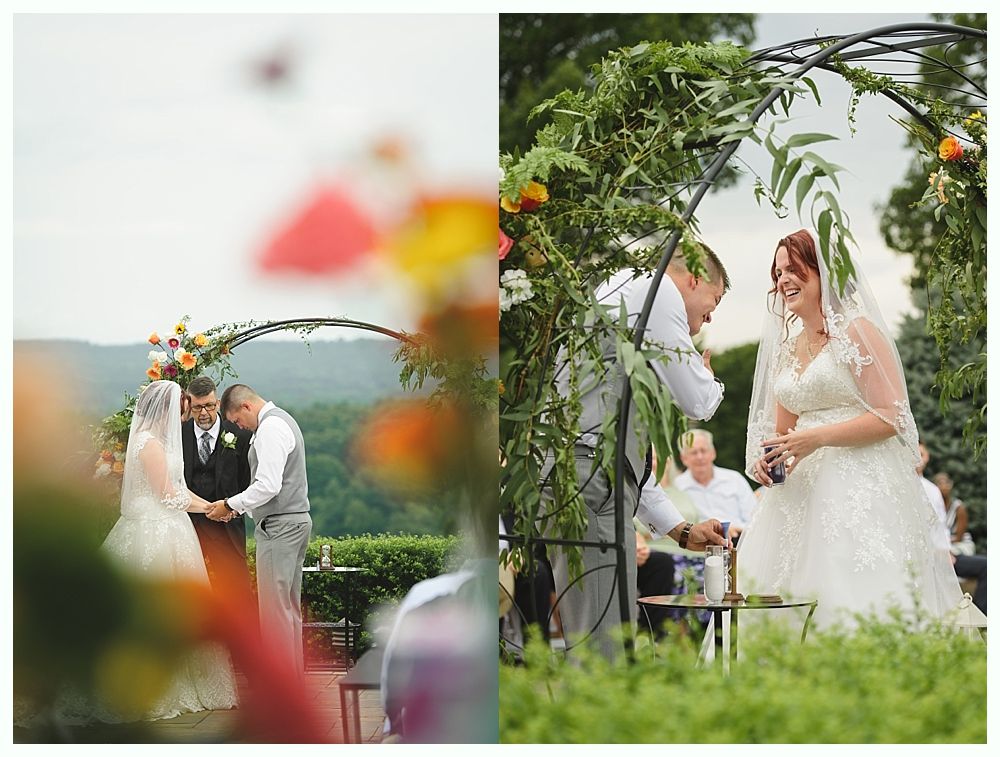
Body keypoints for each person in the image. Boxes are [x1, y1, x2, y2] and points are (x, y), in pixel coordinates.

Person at [738, 229, 962, 631]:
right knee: (778, 595)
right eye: (777, 273)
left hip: (856, 484)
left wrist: (817, 438)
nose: (783, 280)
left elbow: (891, 416)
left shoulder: (858, 332)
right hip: (798, 495)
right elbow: (782, 430)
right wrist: (767, 459)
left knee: (847, 593)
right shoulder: (788, 347)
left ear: (822, 272)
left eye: (793, 269)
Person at [546, 244, 729, 659]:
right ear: (694, 277)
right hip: (590, 483)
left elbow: (628, 461)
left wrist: (681, 531)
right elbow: (699, 402)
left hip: (591, 475)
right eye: (713, 301)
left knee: (606, 635)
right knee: (601, 648)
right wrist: (705, 376)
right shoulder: (658, 289)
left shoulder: (627, 298)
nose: (711, 316)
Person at [101, 380, 237, 719]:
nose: (185, 417)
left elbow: (180, 489)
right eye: (182, 410)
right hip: (153, 531)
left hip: (172, 527)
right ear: (166, 409)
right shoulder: (148, 444)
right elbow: (168, 495)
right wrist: (209, 509)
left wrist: (211, 507)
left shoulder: (159, 442)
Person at [208, 384, 314, 676]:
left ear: (246, 406)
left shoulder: (270, 428)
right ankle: (293, 677)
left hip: (280, 527)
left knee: (275, 612)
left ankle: (282, 684)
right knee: (288, 609)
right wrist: (240, 510)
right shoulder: (282, 420)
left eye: (238, 421)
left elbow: (268, 485)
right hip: (293, 521)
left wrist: (230, 504)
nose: (239, 427)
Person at [182, 376, 255, 621]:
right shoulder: (177, 435)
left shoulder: (240, 435)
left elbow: (247, 483)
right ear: (188, 404)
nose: (204, 413)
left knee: (237, 598)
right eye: (197, 407)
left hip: (227, 530)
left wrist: (232, 510)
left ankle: (241, 657)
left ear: (217, 401)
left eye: (210, 406)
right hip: (187, 528)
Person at [919, 443, 987, 614]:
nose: (917, 457)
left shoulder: (932, 490)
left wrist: (944, 551)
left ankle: (978, 615)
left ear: (927, 457)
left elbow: (939, 526)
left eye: (921, 453)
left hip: (943, 553)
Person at [675, 429, 757, 533]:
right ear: (684, 458)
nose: (700, 457)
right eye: (693, 452)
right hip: (699, 545)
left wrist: (734, 530)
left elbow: (754, 518)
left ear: (713, 453)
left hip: (739, 539)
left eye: (703, 451)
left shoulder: (734, 479)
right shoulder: (677, 486)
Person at [931, 470, 976, 556]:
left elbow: (959, 538)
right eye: (940, 483)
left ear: (951, 485)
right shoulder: (933, 508)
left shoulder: (958, 507)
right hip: (941, 545)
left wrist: (939, 543)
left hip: (960, 545)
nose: (944, 486)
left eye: (946, 483)